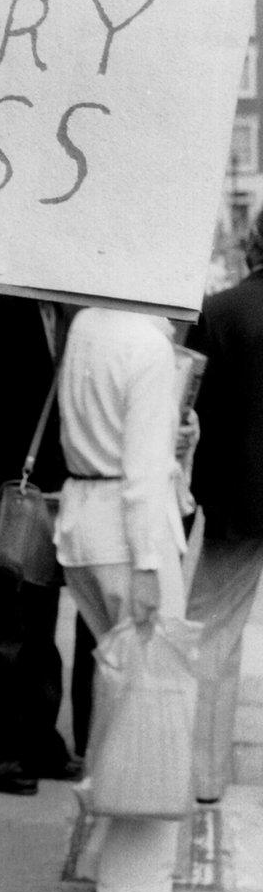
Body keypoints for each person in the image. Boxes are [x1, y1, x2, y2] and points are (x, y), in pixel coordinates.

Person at [54, 305, 187, 892]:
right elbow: (141, 473)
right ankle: (134, 886)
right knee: (154, 705)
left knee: (122, 700)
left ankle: (103, 860)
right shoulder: (152, 348)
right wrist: (149, 564)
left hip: (82, 522)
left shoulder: (87, 323)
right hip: (130, 535)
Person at [0, 292, 83, 795]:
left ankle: (36, 741)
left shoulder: (65, 309)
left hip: (48, 491)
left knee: (39, 622)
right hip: (6, 492)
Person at [185, 212, 263, 803]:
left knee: (212, 633)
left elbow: (188, 407)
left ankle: (203, 775)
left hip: (238, 495)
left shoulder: (218, 311)